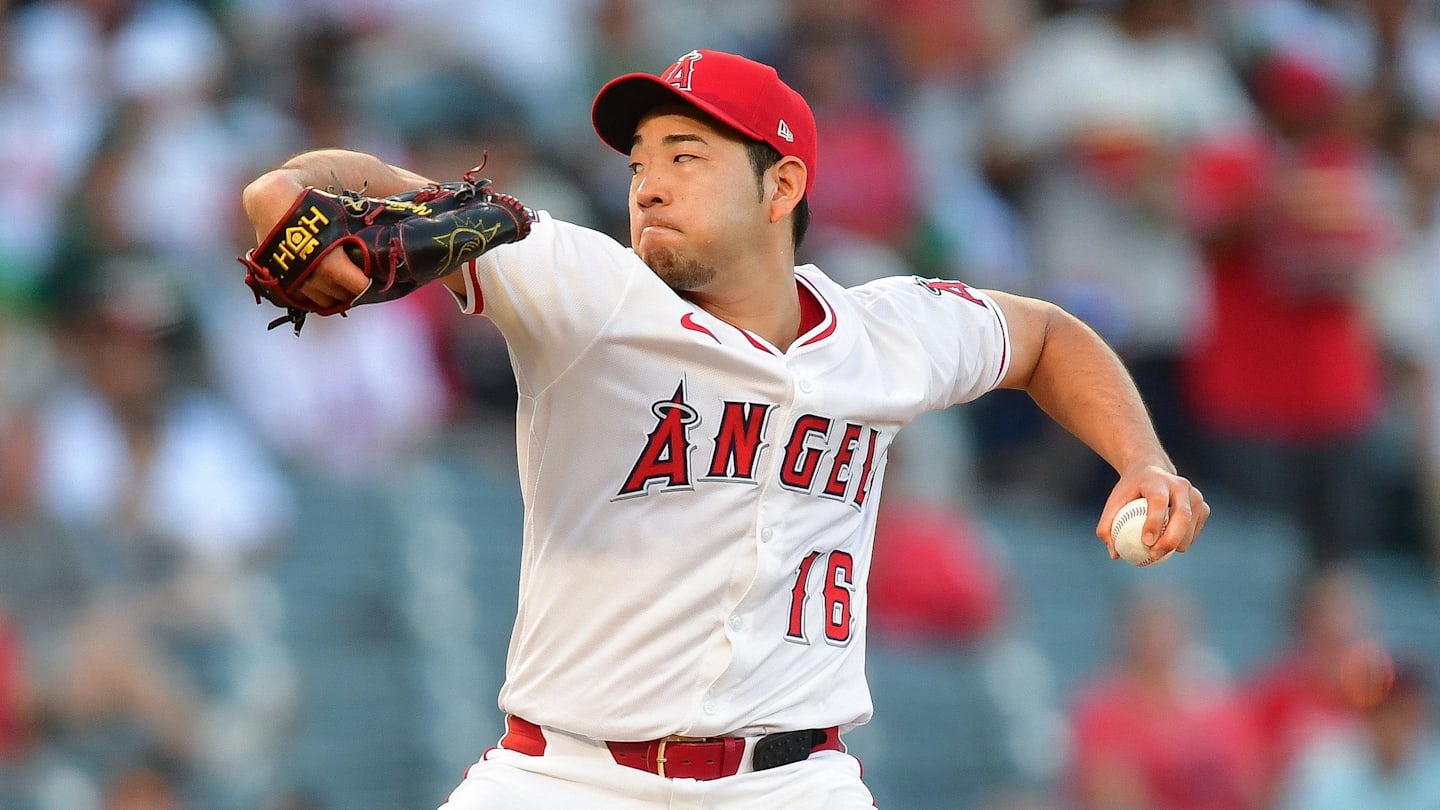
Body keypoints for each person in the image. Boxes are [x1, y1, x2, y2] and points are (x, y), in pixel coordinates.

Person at [240, 48, 1209, 809]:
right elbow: (355, 178)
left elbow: (1041, 335)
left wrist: (1142, 459)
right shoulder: (586, 288)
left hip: (790, 783)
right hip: (568, 778)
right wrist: (281, 192)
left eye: (687, 157)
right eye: (640, 161)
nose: (648, 185)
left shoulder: (887, 330)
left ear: (780, 187)